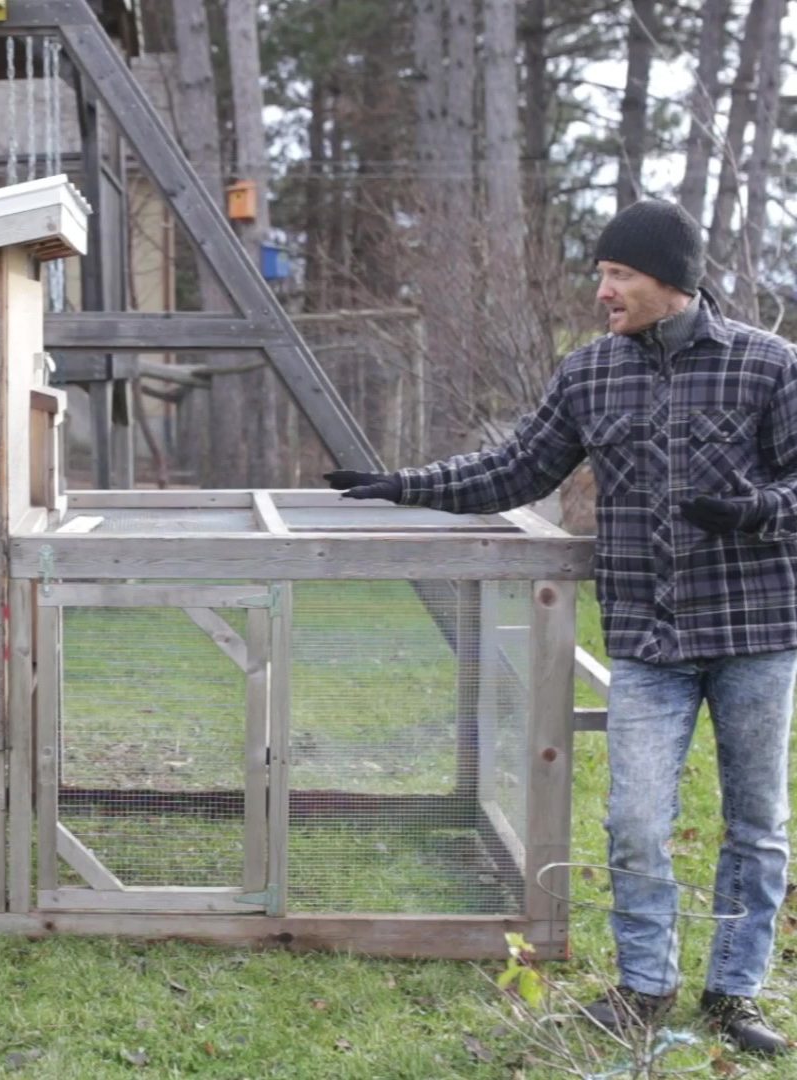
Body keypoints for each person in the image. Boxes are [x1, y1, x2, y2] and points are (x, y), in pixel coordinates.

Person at [325, 198, 796, 1057]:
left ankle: (734, 994)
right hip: (648, 638)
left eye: (618, 274)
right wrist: (405, 484)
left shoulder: (770, 367)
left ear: (670, 280)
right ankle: (644, 989)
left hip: (754, 630)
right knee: (635, 820)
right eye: (601, 274)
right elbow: (514, 467)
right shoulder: (590, 375)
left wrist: (753, 512)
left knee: (756, 823)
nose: (602, 291)